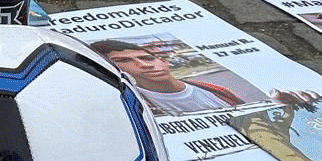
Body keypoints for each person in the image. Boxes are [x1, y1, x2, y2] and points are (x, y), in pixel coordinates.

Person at [91, 39, 264, 114]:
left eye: (147, 58)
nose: (145, 64)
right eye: (124, 61)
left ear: (164, 61)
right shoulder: (134, 104)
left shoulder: (216, 90)